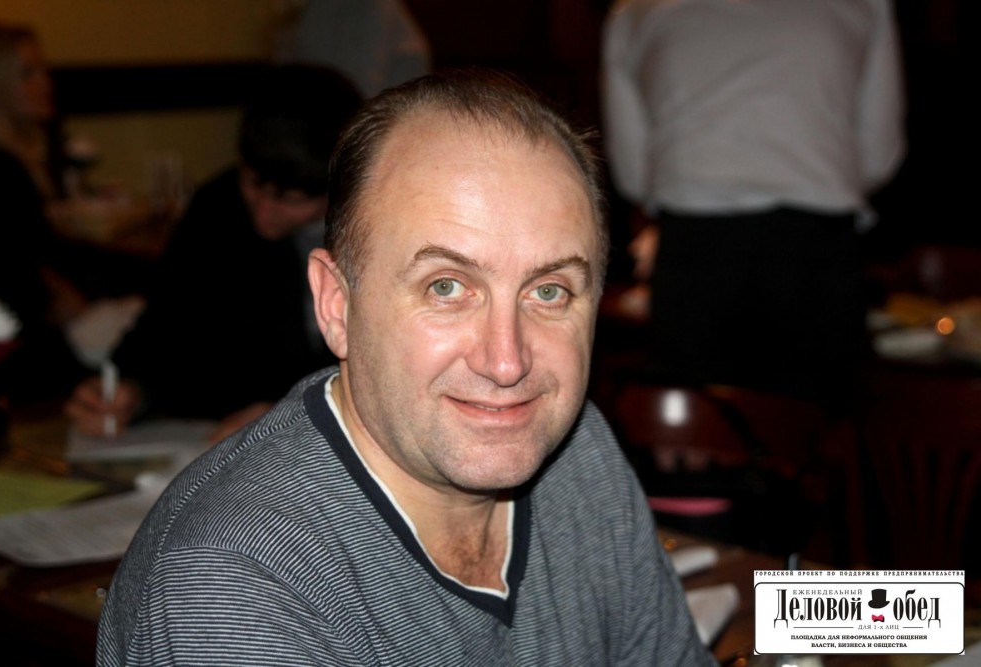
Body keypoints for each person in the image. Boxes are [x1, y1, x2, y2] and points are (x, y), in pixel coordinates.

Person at [96, 70, 714, 666]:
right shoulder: (233, 587)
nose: (507, 362)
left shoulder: (580, 455)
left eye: (549, 292)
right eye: (446, 286)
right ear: (336, 305)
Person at [602, 0, 906, 408]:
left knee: (701, 432)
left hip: (696, 252)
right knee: (820, 431)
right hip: (815, 250)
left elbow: (634, 174)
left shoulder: (635, 10)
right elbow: (878, 154)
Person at [65, 65, 362, 442]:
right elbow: (164, 329)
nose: (263, 212)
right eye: (253, 184)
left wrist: (296, 411)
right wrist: (129, 392)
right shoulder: (217, 209)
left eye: (290, 200)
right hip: (209, 437)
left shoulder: (367, 230)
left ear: (338, 188)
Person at [0, 22, 90, 402]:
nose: (45, 83)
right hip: (15, 351)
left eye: (43, 70)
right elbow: (16, 278)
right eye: (27, 74)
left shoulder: (28, 153)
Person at [274, 0, 431, 97]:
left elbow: (363, 84)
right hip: (331, 120)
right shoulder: (313, 8)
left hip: (377, 122)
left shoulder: (367, 6)